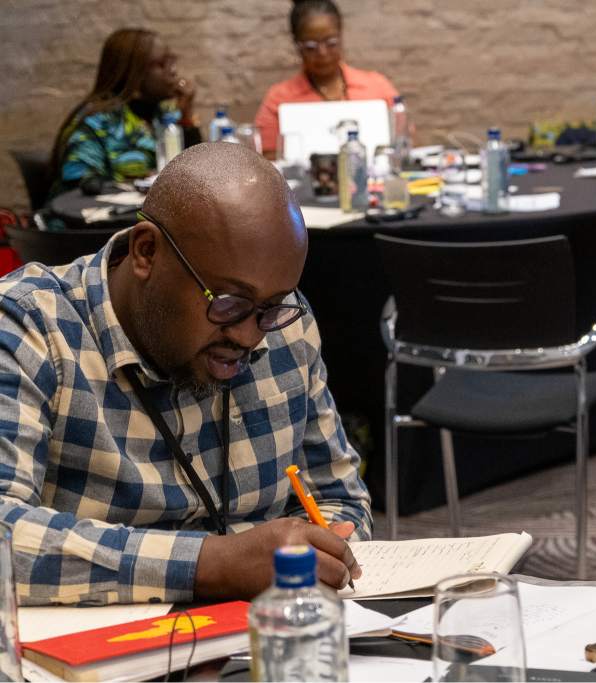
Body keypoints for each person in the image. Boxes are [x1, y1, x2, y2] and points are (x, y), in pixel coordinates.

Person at [0, 142, 370, 605]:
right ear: (146, 252)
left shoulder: (285, 326)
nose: (249, 336)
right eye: (228, 303)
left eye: (272, 306)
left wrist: (325, 550)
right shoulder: (27, 327)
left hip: (269, 625)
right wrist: (213, 564)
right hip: (104, 644)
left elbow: (339, 498)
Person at [49, 28, 201, 198]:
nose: (173, 71)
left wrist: (186, 114)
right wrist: (141, 183)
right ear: (133, 73)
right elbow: (80, 188)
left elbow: (197, 174)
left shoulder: (162, 114)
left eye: (171, 61)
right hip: (97, 213)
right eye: (162, 64)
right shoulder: (98, 121)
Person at [254, 0, 399, 159]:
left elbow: (402, 143)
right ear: (297, 45)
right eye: (311, 46)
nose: (322, 53)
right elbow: (266, 158)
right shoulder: (278, 98)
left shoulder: (377, 86)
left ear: (341, 36)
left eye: (331, 43)